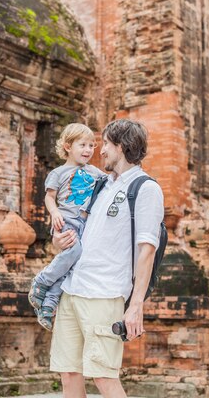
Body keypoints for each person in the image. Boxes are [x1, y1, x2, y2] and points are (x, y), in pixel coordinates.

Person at [49, 119, 164, 398]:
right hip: (72, 289)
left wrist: (136, 305)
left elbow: (147, 250)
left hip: (105, 294)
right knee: (69, 373)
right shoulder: (101, 185)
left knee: (103, 376)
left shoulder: (145, 188)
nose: (100, 151)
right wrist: (57, 242)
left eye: (107, 145)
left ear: (122, 147)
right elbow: (80, 232)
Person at [28, 123, 104, 331]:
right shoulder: (59, 173)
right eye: (83, 145)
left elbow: (111, 184)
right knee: (74, 252)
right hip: (66, 221)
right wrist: (54, 213)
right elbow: (49, 197)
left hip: (84, 224)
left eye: (91, 146)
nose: (88, 150)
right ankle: (42, 281)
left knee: (72, 264)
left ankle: (48, 304)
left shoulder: (96, 172)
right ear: (68, 146)